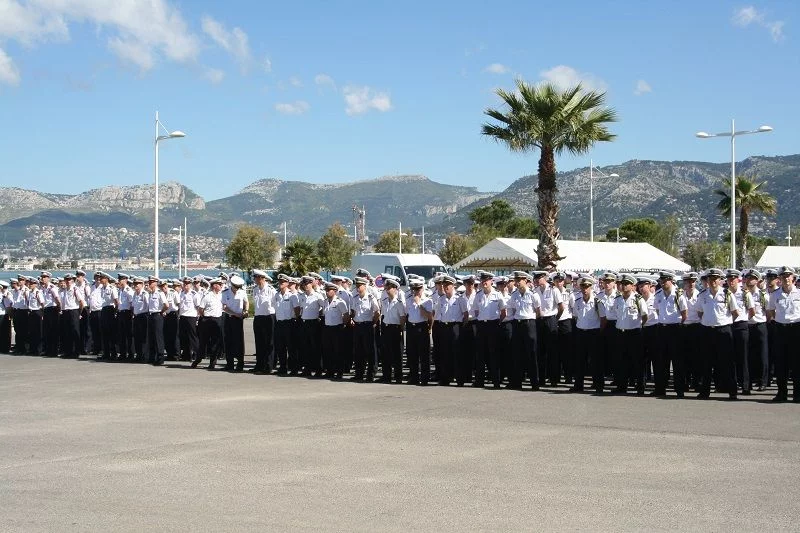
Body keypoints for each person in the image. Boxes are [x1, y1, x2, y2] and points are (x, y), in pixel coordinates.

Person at [696, 268, 739, 400]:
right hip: (707, 331)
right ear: (707, 280)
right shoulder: (702, 295)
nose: (713, 281)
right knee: (706, 362)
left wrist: (723, 322)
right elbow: (699, 313)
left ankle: (732, 391)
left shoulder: (727, 294)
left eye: (715, 279)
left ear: (720, 280)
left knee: (727, 362)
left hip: (723, 330)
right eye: (710, 279)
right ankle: (705, 391)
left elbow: (735, 313)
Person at [766, 266, 800, 402]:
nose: (786, 278)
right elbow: (771, 311)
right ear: (779, 279)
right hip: (780, 329)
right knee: (781, 363)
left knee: (797, 363)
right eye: (783, 276)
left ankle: (798, 394)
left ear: (793, 278)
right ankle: (781, 393)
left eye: (788, 276)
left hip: (797, 328)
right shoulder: (775, 295)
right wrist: (778, 320)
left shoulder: (799, 293)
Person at [654, 270, 688, 397]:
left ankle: (679, 389)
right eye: (661, 281)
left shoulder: (679, 294)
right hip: (662, 329)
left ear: (671, 280)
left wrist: (677, 325)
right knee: (662, 361)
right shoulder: (658, 294)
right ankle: (660, 389)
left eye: (665, 280)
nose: (663, 283)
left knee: (677, 361)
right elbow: (657, 310)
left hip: (676, 329)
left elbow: (685, 314)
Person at [613, 274, 648, 395]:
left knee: (637, 361)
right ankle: (622, 386)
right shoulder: (617, 299)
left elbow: (644, 316)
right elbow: (614, 314)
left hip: (634, 333)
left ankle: (640, 387)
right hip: (621, 333)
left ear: (632, 286)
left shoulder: (638, 299)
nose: (623, 286)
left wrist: (638, 327)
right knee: (621, 361)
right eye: (622, 284)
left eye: (626, 284)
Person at [472, 271, 506, 388]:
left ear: (491, 281)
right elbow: (476, 311)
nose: (484, 282)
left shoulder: (498, 295)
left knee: (494, 354)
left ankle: (496, 381)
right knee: (480, 354)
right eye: (482, 280)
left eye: (486, 280)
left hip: (493, 325)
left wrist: (497, 322)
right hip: (481, 325)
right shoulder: (478, 295)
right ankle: (479, 381)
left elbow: (503, 312)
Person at [507, 271, 541, 390]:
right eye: (516, 281)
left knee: (531, 354)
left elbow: (538, 312)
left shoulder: (533, 295)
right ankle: (517, 382)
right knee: (517, 354)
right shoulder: (514, 295)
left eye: (519, 280)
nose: (517, 283)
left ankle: (534, 383)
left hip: (529, 324)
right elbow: (511, 309)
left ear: (525, 281)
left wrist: (529, 321)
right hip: (518, 324)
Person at [573, 276, 605, 393]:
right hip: (581, 332)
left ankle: (598, 385)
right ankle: (578, 385)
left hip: (594, 333)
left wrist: (598, 332)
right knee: (580, 360)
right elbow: (576, 316)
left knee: (596, 361)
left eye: (587, 287)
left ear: (591, 287)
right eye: (583, 286)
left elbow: (603, 319)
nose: (585, 289)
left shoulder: (597, 302)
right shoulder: (577, 302)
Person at [434, 276, 468, 386]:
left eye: (447, 285)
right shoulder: (441, 299)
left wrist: (460, 327)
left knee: (457, 354)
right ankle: (446, 378)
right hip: (444, 326)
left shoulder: (460, 299)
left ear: (453, 286)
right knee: (445, 353)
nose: (445, 287)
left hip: (455, 327)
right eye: (444, 285)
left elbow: (466, 315)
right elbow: (438, 315)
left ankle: (459, 379)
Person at [350, 276, 380, 382]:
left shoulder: (371, 298)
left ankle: (370, 374)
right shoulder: (355, 298)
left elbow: (377, 312)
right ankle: (359, 373)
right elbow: (353, 311)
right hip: (358, 326)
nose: (357, 287)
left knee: (370, 351)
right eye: (356, 285)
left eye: (359, 285)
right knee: (358, 351)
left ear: (365, 286)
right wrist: (352, 318)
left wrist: (373, 322)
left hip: (367, 325)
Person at [744, 269, 769, 392]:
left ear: (757, 280)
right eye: (748, 278)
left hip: (760, 325)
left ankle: (763, 381)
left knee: (762, 355)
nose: (749, 280)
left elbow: (769, 312)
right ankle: (752, 379)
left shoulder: (763, 295)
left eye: (752, 278)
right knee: (749, 354)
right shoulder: (743, 294)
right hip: (748, 326)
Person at [405, 278, 433, 385]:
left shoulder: (428, 300)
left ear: (422, 289)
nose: (416, 291)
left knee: (424, 354)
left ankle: (425, 378)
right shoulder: (408, 300)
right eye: (414, 289)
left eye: (418, 289)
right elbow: (407, 314)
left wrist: (419, 304)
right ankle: (414, 377)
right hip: (412, 327)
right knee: (412, 354)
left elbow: (429, 316)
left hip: (422, 327)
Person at [193, 278, 225, 370]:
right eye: (219, 284)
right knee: (203, 342)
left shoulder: (221, 295)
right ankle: (198, 359)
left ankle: (213, 362)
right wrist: (205, 317)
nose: (221, 286)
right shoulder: (207, 296)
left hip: (217, 320)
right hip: (207, 320)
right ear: (214, 286)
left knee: (215, 342)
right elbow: (200, 309)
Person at [295, 276, 324, 377]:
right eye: (304, 284)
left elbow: (324, 307)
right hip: (304, 323)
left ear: (311, 284)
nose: (305, 286)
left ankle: (318, 369)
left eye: (307, 284)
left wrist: (319, 315)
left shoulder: (317, 296)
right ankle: (307, 368)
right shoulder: (302, 296)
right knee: (305, 347)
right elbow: (301, 309)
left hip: (314, 323)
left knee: (315, 347)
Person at [380, 278, 407, 383]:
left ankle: (398, 377)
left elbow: (402, 317)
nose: (388, 290)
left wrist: (400, 328)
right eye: (387, 288)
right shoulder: (384, 301)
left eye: (390, 288)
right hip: (386, 327)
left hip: (395, 328)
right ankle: (386, 376)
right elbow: (383, 315)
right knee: (386, 353)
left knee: (397, 354)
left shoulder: (399, 303)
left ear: (396, 289)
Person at [321, 281, 349, 379]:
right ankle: (330, 371)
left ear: (335, 291)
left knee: (338, 351)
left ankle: (339, 371)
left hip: (337, 328)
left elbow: (346, 315)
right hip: (327, 328)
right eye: (326, 290)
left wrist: (343, 325)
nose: (327, 292)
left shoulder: (339, 302)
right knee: (328, 351)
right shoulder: (325, 302)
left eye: (329, 290)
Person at [251, 269, 276, 374]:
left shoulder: (271, 290)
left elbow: (275, 305)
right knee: (259, 342)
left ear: (261, 278)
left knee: (269, 342)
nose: (254, 279)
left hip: (268, 317)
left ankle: (268, 366)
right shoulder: (255, 289)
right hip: (258, 317)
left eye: (256, 277)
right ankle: (259, 365)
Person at [273, 274, 299, 375]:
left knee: (291, 347)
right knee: (280, 347)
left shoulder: (292, 295)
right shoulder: (277, 295)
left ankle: (293, 369)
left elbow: (297, 310)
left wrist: (294, 321)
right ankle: (283, 367)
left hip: (289, 323)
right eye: (279, 282)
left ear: (288, 283)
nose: (280, 283)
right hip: (279, 323)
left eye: (282, 282)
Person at [222, 275, 248, 372]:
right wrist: (235, 314)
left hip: (238, 319)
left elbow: (246, 302)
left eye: (238, 287)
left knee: (239, 341)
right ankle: (230, 363)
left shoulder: (242, 292)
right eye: (235, 286)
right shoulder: (225, 293)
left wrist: (246, 310)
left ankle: (240, 363)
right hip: (229, 318)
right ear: (232, 285)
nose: (237, 289)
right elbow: (224, 307)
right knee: (228, 341)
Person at [145, 277, 168, 366]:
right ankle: (152, 357)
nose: (149, 284)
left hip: (157, 315)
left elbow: (166, 305)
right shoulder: (150, 293)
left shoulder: (160, 293)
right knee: (151, 337)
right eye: (149, 282)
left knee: (158, 337)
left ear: (155, 283)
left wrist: (161, 311)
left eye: (151, 282)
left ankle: (160, 357)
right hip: (151, 315)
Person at [177, 277, 199, 363]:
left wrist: (197, 318)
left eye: (187, 284)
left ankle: (197, 354)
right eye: (184, 283)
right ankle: (186, 355)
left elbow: (198, 307)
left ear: (190, 285)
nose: (186, 285)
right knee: (184, 337)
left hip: (191, 317)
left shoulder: (194, 294)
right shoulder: (181, 293)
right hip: (183, 316)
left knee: (192, 336)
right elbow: (180, 306)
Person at [40, 272, 61, 357]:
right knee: (47, 331)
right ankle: (48, 350)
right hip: (46, 309)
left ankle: (54, 351)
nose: (43, 278)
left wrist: (58, 309)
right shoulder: (43, 288)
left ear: (49, 278)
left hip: (53, 309)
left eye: (45, 277)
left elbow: (57, 299)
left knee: (53, 331)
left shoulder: (52, 288)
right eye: (43, 277)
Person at [116, 273, 135, 361]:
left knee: (128, 335)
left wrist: (131, 314)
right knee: (121, 335)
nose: (119, 281)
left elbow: (132, 303)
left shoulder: (128, 290)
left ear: (125, 280)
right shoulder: (120, 290)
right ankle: (123, 353)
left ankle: (130, 354)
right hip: (121, 313)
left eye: (121, 280)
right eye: (119, 279)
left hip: (127, 313)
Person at [131, 277, 149, 362]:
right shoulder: (135, 294)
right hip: (137, 317)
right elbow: (133, 306)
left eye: (137, 284)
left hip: (143, 316)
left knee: (143, 337)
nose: (135, 286)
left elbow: (148, 306)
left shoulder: (145, 294)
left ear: (142, 285)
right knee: (137, 336)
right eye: (134, 284)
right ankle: (138, 355)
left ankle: (144, 356)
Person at [26, 275, 45, 355]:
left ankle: (38, 350)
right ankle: (32, 349)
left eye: (32, 283)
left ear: (36, 284)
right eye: (30, 283)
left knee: (38, 332)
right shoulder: (30, 292)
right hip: (31, 312)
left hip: (37, 312)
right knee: (32, 331)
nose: (30, 285)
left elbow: (42, 303)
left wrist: (42, 314)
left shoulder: (38, 292)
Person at [0, 280, 13, 353]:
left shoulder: (7, 294)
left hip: (4, 314)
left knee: (4, 332)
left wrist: (6, 297)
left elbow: (9, 305)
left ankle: (5, 348)